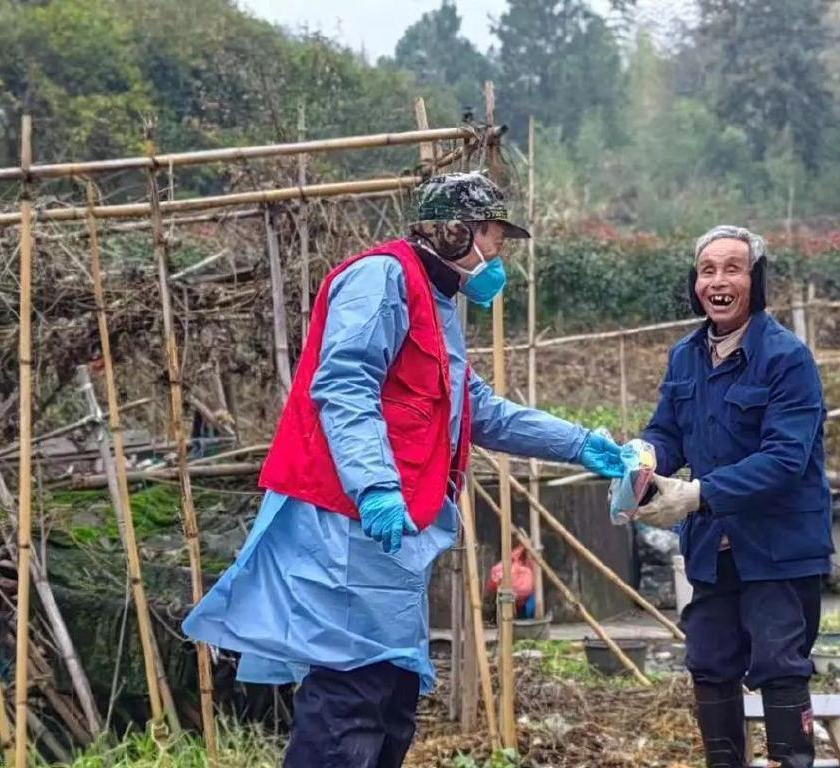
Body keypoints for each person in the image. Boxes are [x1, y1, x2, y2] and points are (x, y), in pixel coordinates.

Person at [183, 172, 624, 767]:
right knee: (351, 700)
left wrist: (582, 444)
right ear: (455, 232)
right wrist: (376, 486)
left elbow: (478, 409)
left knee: (392, 703)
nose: (498, 256)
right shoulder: (381, 279)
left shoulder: (438, 308)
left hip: (390, 539)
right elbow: (346, 382)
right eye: (493, 239)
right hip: (344, 525)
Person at [632, 226, 832, 768]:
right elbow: (667, 432)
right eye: (707, 270)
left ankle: (792, 760)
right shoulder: (685, 356)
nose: (717, 281)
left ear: (755, 281)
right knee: (709, 661)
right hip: (712, 547)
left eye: (732, 269)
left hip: (778, 547)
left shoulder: (787, 359)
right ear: (694, 283)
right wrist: (642, 462)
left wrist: (698, 494)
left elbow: (785, 459)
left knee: (779, 663)